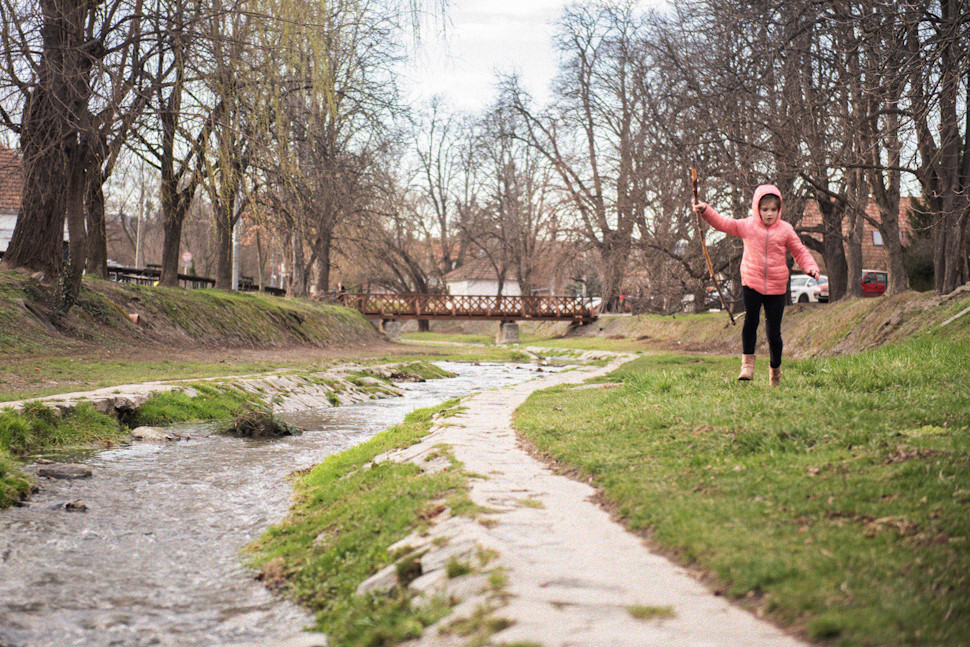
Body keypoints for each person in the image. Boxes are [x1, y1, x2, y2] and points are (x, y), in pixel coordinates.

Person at [692, 184, 819, 386]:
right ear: (757, 209)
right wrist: (705, 210)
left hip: (777, 287)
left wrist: (810, 267)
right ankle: (747, 366)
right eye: (765, 209)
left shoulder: (785, 229)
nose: (769, 213)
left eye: (773, 209)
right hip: (751, 282)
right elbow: (723, 223)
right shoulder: (747, 225)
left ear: (779, 210)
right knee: (751, 322)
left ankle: (775, 373)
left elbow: (799, 251)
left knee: (773, 334)